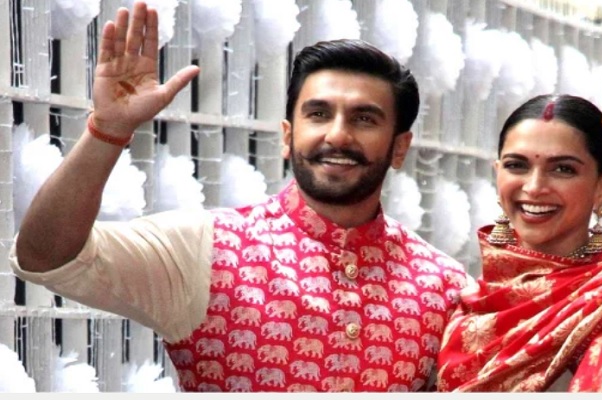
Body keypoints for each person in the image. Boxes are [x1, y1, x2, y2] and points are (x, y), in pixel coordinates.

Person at [9, 2, 473, 393]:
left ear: (399, 148)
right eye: (318, 114)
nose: (337, 135)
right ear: (287, 135)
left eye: (364, 119)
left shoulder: (445, 286)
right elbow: (45, 256)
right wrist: (107, 131)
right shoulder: (207, 248)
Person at [437, 42, 602, 391]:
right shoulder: (463, 301)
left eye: (563, 169)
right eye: (517, 165)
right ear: (497, 174)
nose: (534, 187)